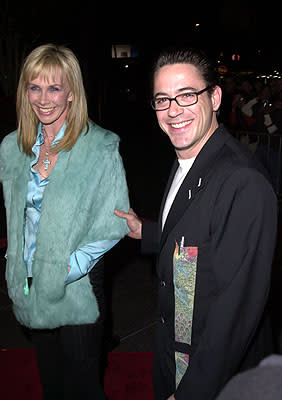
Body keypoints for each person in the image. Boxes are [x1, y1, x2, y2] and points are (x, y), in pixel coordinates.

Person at [114, 46, 278, 399]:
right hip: (175, 352)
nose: (173, 111)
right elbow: (199, 234)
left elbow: (234, 314)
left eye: (186, 95)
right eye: (162, 99)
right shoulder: (188, 158)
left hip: (216, 378)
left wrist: (192, 392)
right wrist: (146, 231)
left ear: (215, 97)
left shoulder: (242, 182)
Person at [0, 43, 130, 399]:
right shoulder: (12, 148)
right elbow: (16, 221)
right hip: (29, 287)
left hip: (78, 288)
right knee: (51, 384)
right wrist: (19, 269)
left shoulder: (99, 147)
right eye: (35, 87)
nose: (44, 98)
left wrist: (60, 272)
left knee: (83, 387)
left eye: (54, 87)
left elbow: (113, 223)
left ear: (72, 93)